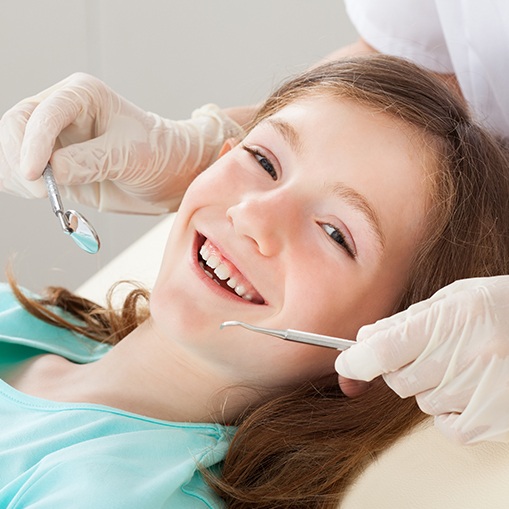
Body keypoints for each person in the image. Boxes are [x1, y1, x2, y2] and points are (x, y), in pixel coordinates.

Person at [1, 56, 508, 508]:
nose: (254, 216)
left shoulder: (121, 494)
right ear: (220, 155)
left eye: (336, 234)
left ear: (395, 337)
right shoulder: (27, 323)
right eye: (263, 161)